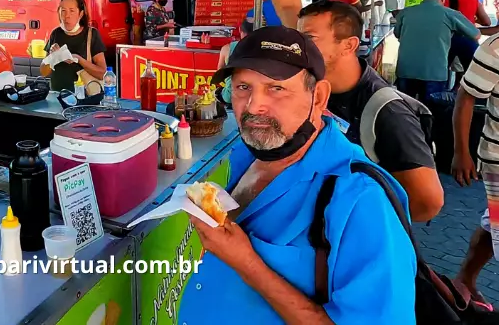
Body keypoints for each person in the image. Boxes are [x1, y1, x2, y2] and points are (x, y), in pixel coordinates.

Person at [178, 26, 415, 323]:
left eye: (276, 88)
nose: (254, 106)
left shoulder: (360, 197)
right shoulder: (248, 154)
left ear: (319, 98)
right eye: (242, 87)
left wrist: (249, 264)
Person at [298, 1, 443, 221]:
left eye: (309, 39)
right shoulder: (313, 87)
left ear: (348, 45)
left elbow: (428, 202)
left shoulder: (388, 111)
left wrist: (360, 224)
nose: (298, 47)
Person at [451, 31, 499, 310]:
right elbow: (466, 98)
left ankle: (465, 278)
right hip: (496, 158)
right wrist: (461, 152)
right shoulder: (494, 49)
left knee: (492, 221)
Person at [394, 0, 480, 102]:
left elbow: (397, 33)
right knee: (431, 112)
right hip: (434, 72)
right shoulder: (450, 14)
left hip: (406, 70)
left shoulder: (405, 13)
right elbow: (476, 34)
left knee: (405, 110)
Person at [40, 0, 107, 92]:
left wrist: (79, 59)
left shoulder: (91, 34)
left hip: (84, 99)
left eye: (72, 11)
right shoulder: (56, 33)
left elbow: (102, 73)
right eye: (63, 11)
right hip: (57, 97)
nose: (67, 16)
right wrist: (53, 57)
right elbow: (43, 72)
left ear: (81, 14)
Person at [217, 16, 254, 106]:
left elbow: (219, 73)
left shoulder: (227, 48)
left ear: (240, 30)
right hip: (253, 98)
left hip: (230, 96)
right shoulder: (262, 49)